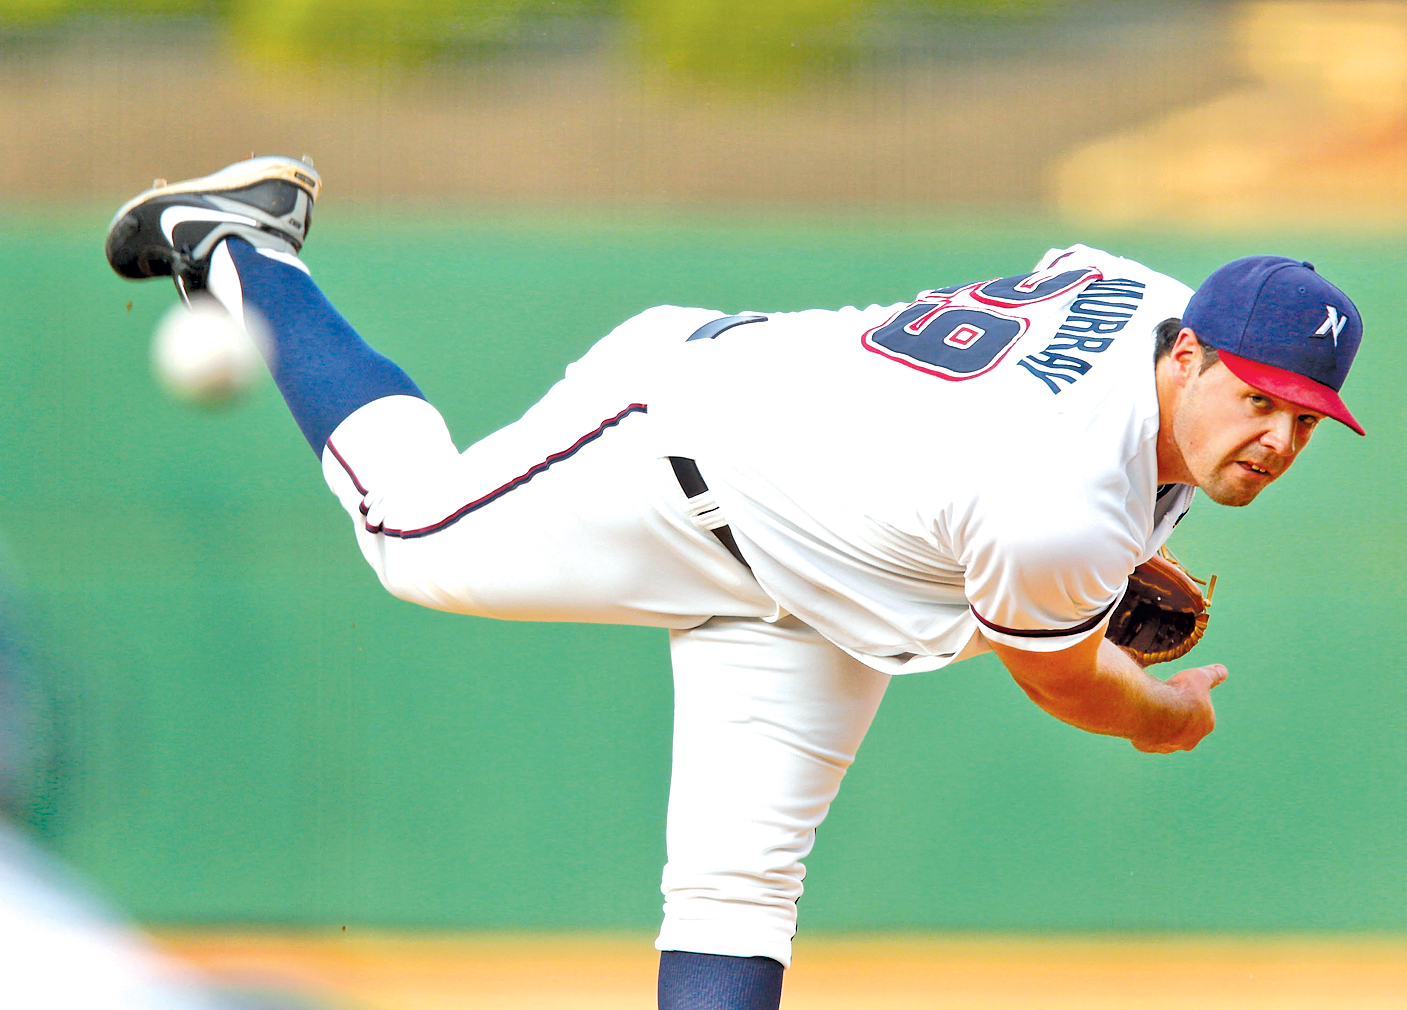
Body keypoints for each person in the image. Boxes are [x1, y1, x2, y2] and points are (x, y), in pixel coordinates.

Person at [105, 157, 1365, 1010]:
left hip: (828, 574)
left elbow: (1037, 406)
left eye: (1308, 419)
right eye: (1259, 399)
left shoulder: (1139, 298)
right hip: (678, 439)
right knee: (413, 534)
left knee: (739, 882)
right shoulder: (1054, 509)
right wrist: (1162, 711)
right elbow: (1071, 684)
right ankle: (242, 243)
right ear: (1191, 352)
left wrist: (1063, 569)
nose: (1278, 438)